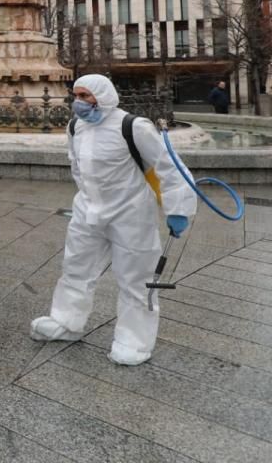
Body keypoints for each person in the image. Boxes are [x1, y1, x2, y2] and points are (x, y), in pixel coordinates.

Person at [31, 74, 197, 366]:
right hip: (87, 211)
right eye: (76, 95)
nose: (79, 102)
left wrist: (177, 209)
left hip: (130, 213)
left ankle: (134, 342)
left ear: (103, 96)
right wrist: (87, 198)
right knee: (76, 268)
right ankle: (66, 321)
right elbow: (77, 166)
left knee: (136, 279)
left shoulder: (133, 126)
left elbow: (170, 166)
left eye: (86, 96)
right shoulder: (75, 127)